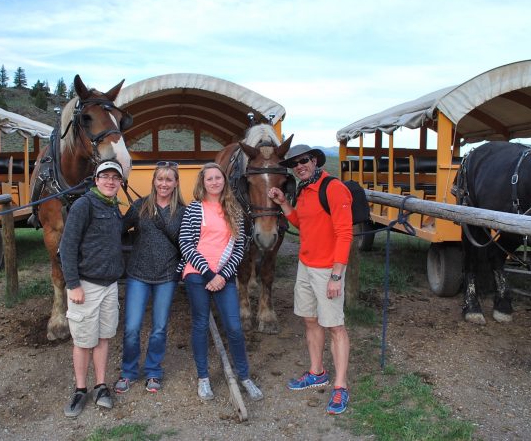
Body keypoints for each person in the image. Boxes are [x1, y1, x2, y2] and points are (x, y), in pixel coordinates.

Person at [268, 144, 353, 415]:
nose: (299, 166)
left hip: (328, 268)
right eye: (295, 164)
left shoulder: (333, 188)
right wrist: (284, 203)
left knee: (335, 326)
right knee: (309, 319)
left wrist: (337, 276)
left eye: (304, 161)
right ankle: (317, 372)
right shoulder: (304, 189)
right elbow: (302, 225)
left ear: (315, 161)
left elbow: (345, 234)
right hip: (306, 265)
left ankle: (341, 386)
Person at [179, 162, 263, 402]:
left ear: (224, 181)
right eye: (209, 179)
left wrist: (223, 276)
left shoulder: (234, 211)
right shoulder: (194, 209)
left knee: (234, 328)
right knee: (200, 325)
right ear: (202, 183)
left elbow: (239, 248)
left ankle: (244, 375)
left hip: (224, 275)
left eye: (218, 178)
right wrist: (207, 274)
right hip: (198, 275)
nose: (214, 182)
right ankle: (203, 378)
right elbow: (186, 244)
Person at [60, 159, 125, 417]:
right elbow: (67, 247)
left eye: (115, 178)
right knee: (83, 340)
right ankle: (79, 390)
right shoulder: (83, 205)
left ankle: (100, 385)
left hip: (109, 285)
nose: (110, 181)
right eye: (105, 176)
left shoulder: (112, 207)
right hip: (86, 285)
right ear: (96, 180)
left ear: (120, 183)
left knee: (103, 337)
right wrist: (73, 284)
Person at [114, 161, 186, 394]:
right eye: (160, 179)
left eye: (169, 179)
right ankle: (128, 371)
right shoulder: (140, 206)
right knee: (132, 327)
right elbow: (118, 229)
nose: (163, 183)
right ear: (154, 181)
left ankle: (154, 371)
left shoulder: (183, 212)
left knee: (159, 327)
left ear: (176, 183)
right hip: (138, 274)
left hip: (166, 275)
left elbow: (188, 244)